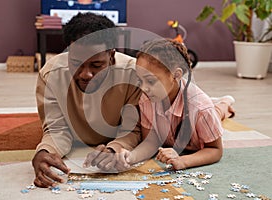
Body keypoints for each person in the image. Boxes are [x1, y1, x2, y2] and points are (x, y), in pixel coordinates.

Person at [32, 13, 143, 188]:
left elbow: (133, 129)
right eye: (76, 63)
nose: (86, 74)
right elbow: (56, 129)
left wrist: (115, 148)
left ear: (112, 56)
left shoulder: (134, 74)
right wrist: (46, 151)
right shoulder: (51, 74)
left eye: (96, 65)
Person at [123, 38, 234, 170]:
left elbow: (215, 150)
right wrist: (130, 157)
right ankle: (221, 102)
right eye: (140, 80)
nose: (144, 88)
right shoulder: (146, 98)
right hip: (191, 103)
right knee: (213, 111)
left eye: (150, 81)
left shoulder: (201, 108)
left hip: (202, 109)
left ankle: (225, 102)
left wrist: (183, 161)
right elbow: (151, 141)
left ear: (176, 75)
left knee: (217, 112)